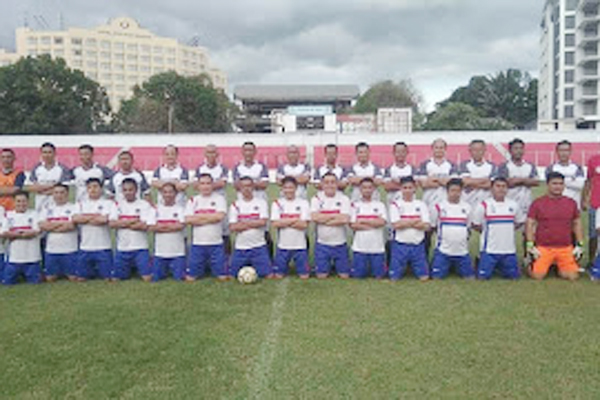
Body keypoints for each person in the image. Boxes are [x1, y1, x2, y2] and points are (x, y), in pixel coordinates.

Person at [526, 172, 583, 281]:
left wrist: (580, 244)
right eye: (554, 183)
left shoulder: (571, 203)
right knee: (538, 276)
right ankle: (529, 263)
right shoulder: (538, 203)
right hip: (544, 247)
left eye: (561, 184)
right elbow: (530, 224)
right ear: (547, 185)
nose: (558, 187)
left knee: (572, 277)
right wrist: (530, 245)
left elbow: (577, 223)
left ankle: (558, 266)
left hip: (565, 247)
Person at [471, 177, 522, 280]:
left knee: (514, 277)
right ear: (492, 188)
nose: (501, 189)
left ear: (507, 189)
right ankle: (480, 261)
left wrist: (506, 230)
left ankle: (500, 266)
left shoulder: (513, 205)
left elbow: (519, 222)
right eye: (498, 186)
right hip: (489, 250)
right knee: (483, 277)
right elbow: (475, 224)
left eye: (504, 186)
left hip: (509, 250)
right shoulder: (484, 205)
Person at [109, 178, 154, 281]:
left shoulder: (144, 205)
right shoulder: (117, 205)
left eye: (130, 189)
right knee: (116, 279)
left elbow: (144, 226)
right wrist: (133, 221)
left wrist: (122, 223)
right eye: (125, 190)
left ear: (136, 190)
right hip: (122, 248)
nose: (128, 192)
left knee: (147, 278)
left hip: (140, 248)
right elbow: (112, 224)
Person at [73, 177, 117, 281]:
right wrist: (96, 217)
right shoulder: (80, 204)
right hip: (85, 247)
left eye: (95, 187)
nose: (92, 189)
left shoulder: (109, 204)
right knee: (81, 278)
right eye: (89, 187)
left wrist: (85, 218)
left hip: (103, 247)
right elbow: (75, 219)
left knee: (108, 278)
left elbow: (105, 220)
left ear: (101, 188)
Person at [185, 173, 228, 281]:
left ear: (212, 185)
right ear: (198, 186)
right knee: (191, 278)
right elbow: (188, 219)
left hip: (216, 244)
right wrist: (211, 217)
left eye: (208, 183)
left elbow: (220, 217)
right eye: (202, 183)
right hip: (197, 244)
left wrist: (198, 218)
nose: (205, 186)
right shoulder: (193, 200)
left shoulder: (219, 199)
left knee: (222, 277)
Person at [429, 178, 475, 280]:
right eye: (453, 190)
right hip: (443, 251)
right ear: (447, 191)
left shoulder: (467, 208)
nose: (455, 194)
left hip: (462, 251)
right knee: (436, 277)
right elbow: (433, 226)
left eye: (458, 191)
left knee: (470, 278)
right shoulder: (438, 207)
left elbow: (468, 228)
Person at [388, 176, 431, 281]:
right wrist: (415, 221)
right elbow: (396, 225)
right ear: (401, 189)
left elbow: (426, 226)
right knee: (394, 278)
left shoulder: (421, 205)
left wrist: (405, 222)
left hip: (417, 244)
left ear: (415, 188)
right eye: (405, 188)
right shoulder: (395, 205)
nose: (407, 190)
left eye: (410, 188)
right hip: (400, 245)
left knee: (424, 278)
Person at [229, 176, 272, 278]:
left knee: (268, 275)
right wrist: (253, 223)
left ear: (253, 187)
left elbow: (263, 222)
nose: (246, 189)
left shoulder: (261, 203)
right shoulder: (235, 205)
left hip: (259, 246)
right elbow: (233, 227)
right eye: (243, 186)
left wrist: (243, 224)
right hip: (241, 247)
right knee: (232, 275)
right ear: (239, 188)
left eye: (249, 186)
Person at [311, 172, 351, 279]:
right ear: (322, 184)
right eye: (327, 182)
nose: (330, 185)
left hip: (340, 243)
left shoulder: (344, 198)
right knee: (321, 276)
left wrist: (323, 219)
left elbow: (345, 219)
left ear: (337, 184)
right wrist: (336, 216)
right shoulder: (316, 199)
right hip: (322, 244)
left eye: (333, 182)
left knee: (344, 276)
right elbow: (314, 217)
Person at [271, 177, 310, 279]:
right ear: (282, 189)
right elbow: (275, 224)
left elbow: (304, 225)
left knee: (304, 276)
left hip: (300, 246)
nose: (288, 190)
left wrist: (284, 222)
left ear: (296, 188)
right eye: (286, 188)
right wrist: (295, 220)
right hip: (283, 246)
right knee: (278, 275)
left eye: (291, 187)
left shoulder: (303, 203)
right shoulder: (277, 203)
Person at [39, 184, 78, 282]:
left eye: (62, 192)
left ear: (67, 194)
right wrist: (61, 224)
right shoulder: (47, 208)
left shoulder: (74, 207)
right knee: (50, 279)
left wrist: (52, 226)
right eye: (56, 193)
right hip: (51, 250)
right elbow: (42, 225)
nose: (59, 195)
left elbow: (71, 226)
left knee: (73, 278)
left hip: (70, 250)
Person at [350, 177, 388, 279]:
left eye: (370, 187)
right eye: (364, 188)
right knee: (358, 276)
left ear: (374, 189)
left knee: (379, 276)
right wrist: (373, 224)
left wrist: (363, 221)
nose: (367, 190)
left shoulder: (380, 205)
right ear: (360, 189)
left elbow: (382, 222)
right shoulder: (355, 205)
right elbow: (353, 225)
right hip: (359, 247)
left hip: (377, 248)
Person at [1, 191, 43, 285]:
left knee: (35, 283)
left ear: (28, 201)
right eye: (18, 201)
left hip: (32, 258)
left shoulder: (35, 214)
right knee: (7, 283)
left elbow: (36, 231)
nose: (21, 204)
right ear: (14, 202)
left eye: (24, 201)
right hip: (13, 259)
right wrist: (23, 234)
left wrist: (15, 234)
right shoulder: (8, 215)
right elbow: (4, 233)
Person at [196, 144, 231, 256]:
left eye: (213, 152)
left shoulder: (223, 168)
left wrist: (206, 186)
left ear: (217, 154)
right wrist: (212, 185)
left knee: (224, 229)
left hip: (220, 202)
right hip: (203, 202)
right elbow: (195, 185)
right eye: (208, 152)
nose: (211, 155)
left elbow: (222, 183)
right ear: (205, 154)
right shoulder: (200, 168)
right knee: (205, 226)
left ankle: (226, 256)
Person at [148, 183, 186, 281]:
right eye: (165, 192)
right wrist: (172, 226)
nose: (168, 195)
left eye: (170, 192)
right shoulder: (155, 209)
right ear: (161, 194)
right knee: (156, 279)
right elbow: (151, 227)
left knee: (179, 279)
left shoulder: (180, 209)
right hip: (159, 253)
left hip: (178, 253)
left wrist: (161, 227)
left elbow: (181, 226)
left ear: (176, 194)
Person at [27, 142, 72, 212]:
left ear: (54, 154)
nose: (47, 155)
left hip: (57, 205)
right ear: (41, 154)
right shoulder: (36, 168)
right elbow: (31, 188)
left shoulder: (62, 168)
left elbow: (64, 189)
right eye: (44, 152)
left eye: (49, 152)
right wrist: (52, 185)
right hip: (40, 205)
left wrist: (41, 190)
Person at [417, 139, 458, 208]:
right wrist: (444, 181)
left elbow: (452, 184)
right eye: (436, 148)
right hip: (429, 200)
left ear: (445, 149)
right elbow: (424, 184)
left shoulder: (451, 164)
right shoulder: (424, 164)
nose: (439, 150)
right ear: (432, 149)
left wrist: (435, 179)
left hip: (446, 201)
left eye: (441, 148)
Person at [546, 140, 585, 209]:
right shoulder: (551, 168)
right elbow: (550, 187)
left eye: (566, 150)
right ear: (557, 152)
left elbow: (580, 185)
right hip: (554, 206)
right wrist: (571, 179)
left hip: (574, 205)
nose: (564, 153)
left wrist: (559, 181)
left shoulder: (577, 167)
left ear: (570, 152)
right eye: (561, 150)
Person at [459, 140, 496, 207]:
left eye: (480, 150)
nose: (477, 152)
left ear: (485, 150)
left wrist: (472, 183)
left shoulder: (492, 166)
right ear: (470, 151)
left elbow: (491, 184)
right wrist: (485, 180)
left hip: (486, 202)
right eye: (474, 150)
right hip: (468, 202)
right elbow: (465, 182)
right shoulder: (464, 165)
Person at [585, 145, 600, 267]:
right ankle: (592, 261)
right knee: (593, 235)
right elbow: (588, 181)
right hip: (596, 203)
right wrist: (584, 198)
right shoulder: (594, 160)